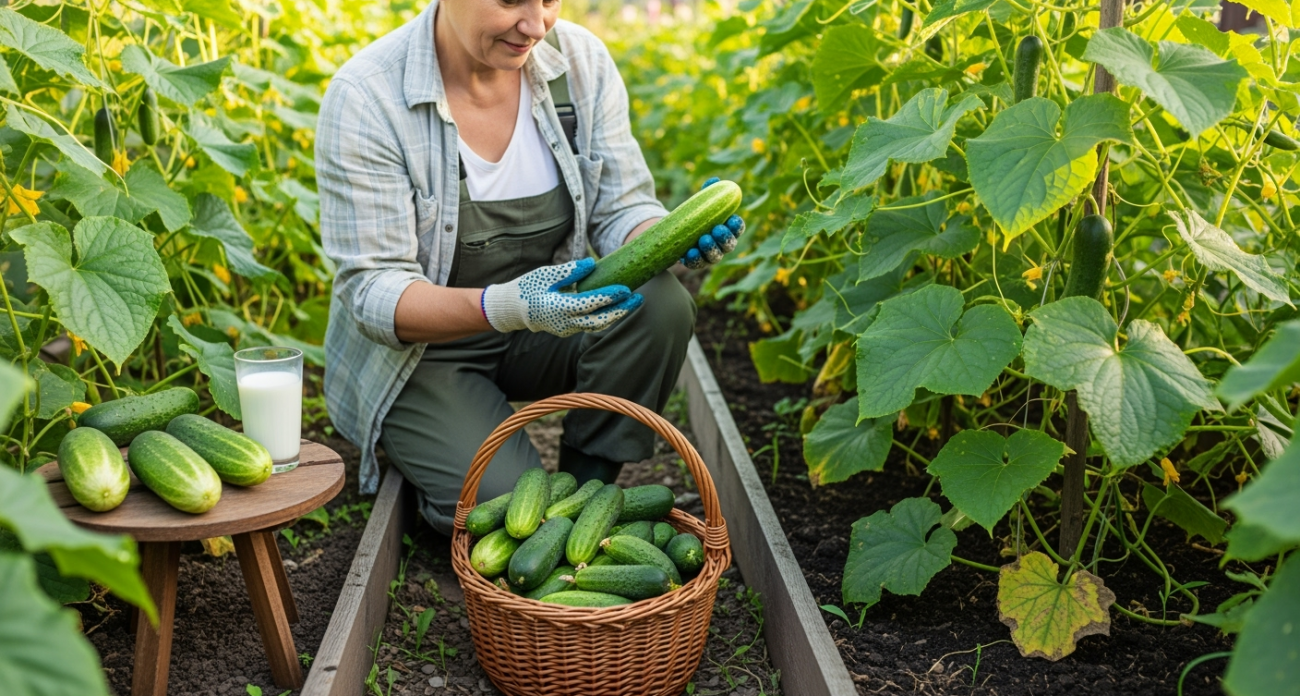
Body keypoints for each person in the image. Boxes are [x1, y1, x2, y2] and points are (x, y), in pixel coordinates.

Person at [316, 0, 743, 535]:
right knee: (508, 514)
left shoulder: (579, 62)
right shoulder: (368, 96)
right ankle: (449, 450)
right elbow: (373, 292)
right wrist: (507, 306)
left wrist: (670, 238)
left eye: (549, 0)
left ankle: (590, 497)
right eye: (511, 0)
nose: (535, 26)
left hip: (551, 316)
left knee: (659, 304)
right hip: (424, 354)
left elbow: (623, 207)